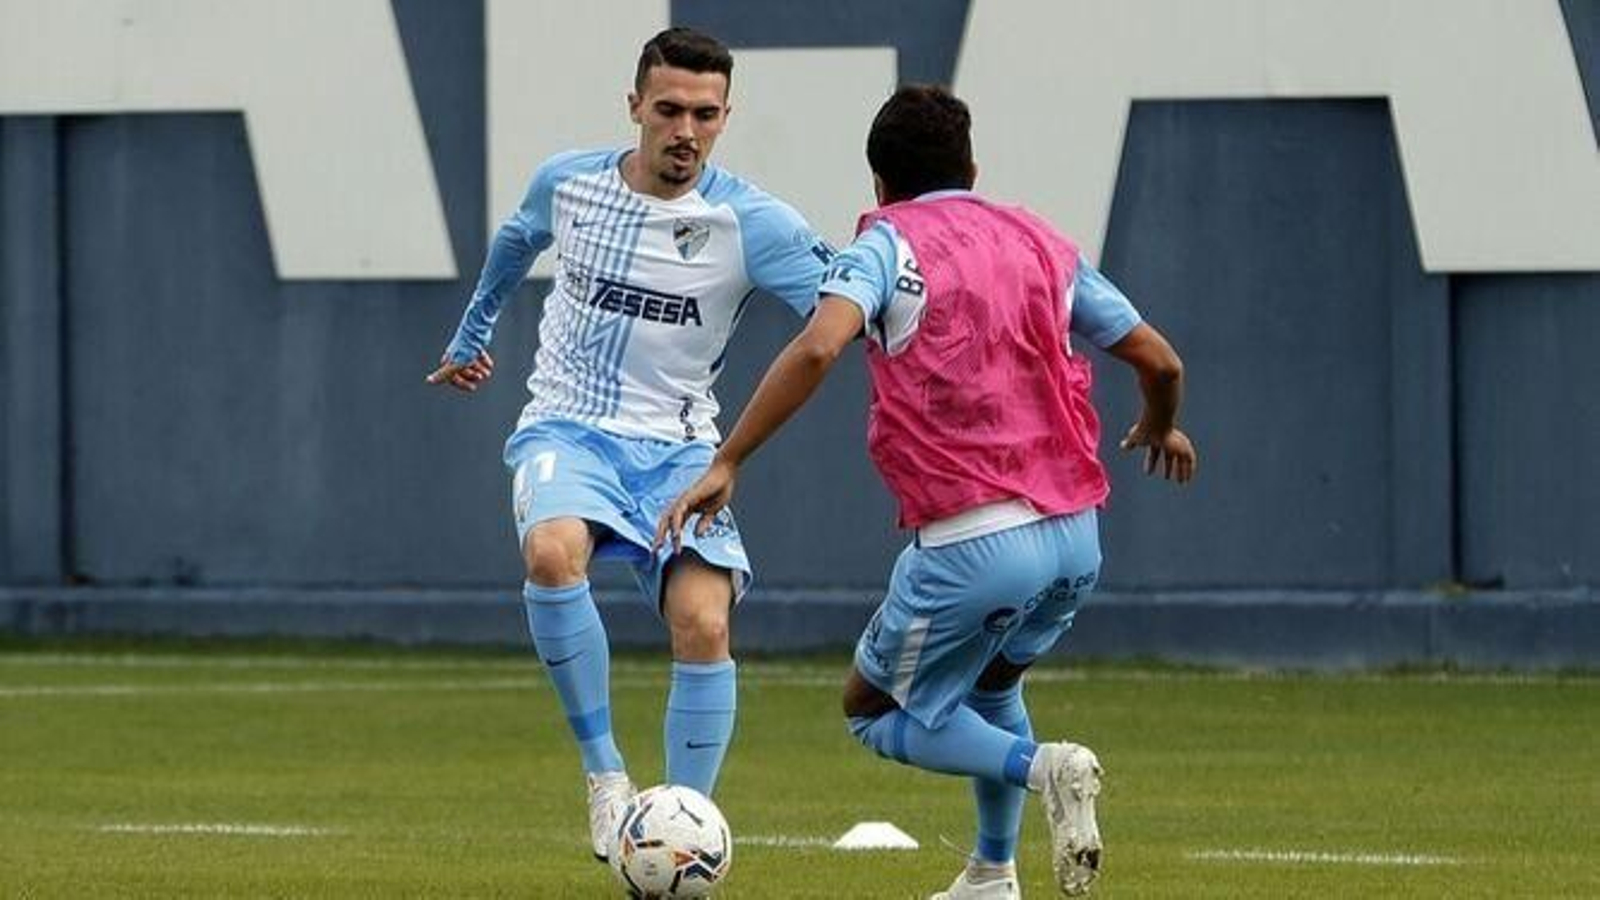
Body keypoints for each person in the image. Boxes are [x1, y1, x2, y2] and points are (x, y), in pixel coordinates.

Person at [657, 85, 1196, 898]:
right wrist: (1159, 424)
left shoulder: (885, 246)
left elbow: (816, 350)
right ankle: (992, 874)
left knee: (871, 708)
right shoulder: (1040, 241)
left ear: (877, 186)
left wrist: (729, 458)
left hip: (976, 538)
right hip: (1077, 534)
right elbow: (1160, 360)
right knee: (991, 686)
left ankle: (1042, 767)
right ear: (972, 168)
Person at [425, 27, 834, 862]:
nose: (686, 130)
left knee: (703, 625)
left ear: (726, 116)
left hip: (680, 451)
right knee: (550, 552)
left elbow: (841, 307)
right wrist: (473, 331)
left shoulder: (753, 222)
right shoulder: (570, 182)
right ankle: (606, 777)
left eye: (706, 114)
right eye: (670, 110)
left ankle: (680, 826)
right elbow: (515, 239)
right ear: (636, 107)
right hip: (567, 428)